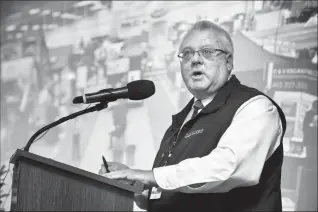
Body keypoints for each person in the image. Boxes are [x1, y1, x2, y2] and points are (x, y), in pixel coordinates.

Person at [98, 20, 287, 212]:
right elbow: (172, 193)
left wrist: (147, 175)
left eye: (206, 51)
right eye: (187, 54)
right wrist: (136, 185)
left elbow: (225, 167)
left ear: (228, 62)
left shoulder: (256, 107)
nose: (195, 60)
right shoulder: (183, 118)